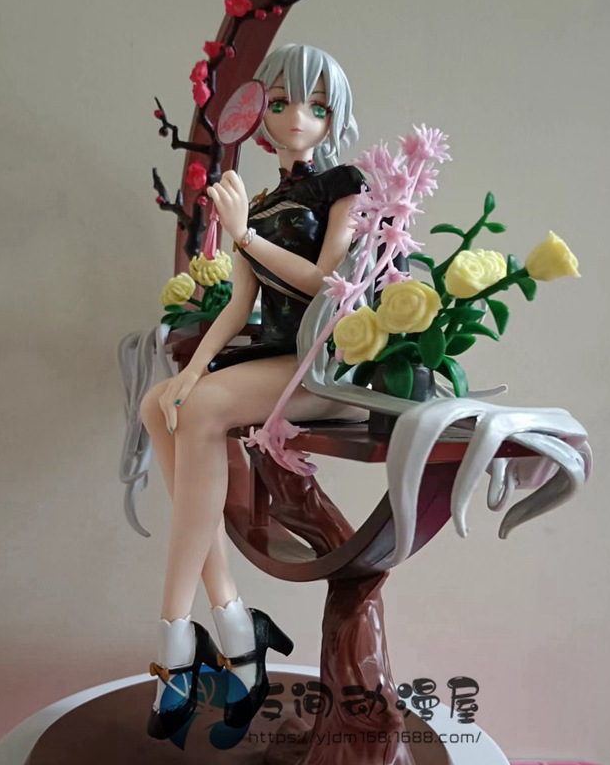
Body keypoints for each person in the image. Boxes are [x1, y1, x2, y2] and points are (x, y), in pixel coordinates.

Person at [139, 43, 367, 739]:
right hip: (271, 358)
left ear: (333, 117)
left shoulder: (344, 185)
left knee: (204, 409)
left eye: (316, 106)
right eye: (282, 103)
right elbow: (240, 306)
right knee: (162, 404)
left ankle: (176, 639)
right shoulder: (261, 201)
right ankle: (236, 624)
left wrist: (243, 237)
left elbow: (326, 282)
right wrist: (191, 369)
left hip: (322, 365)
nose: (298, 118)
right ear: (261, 115)